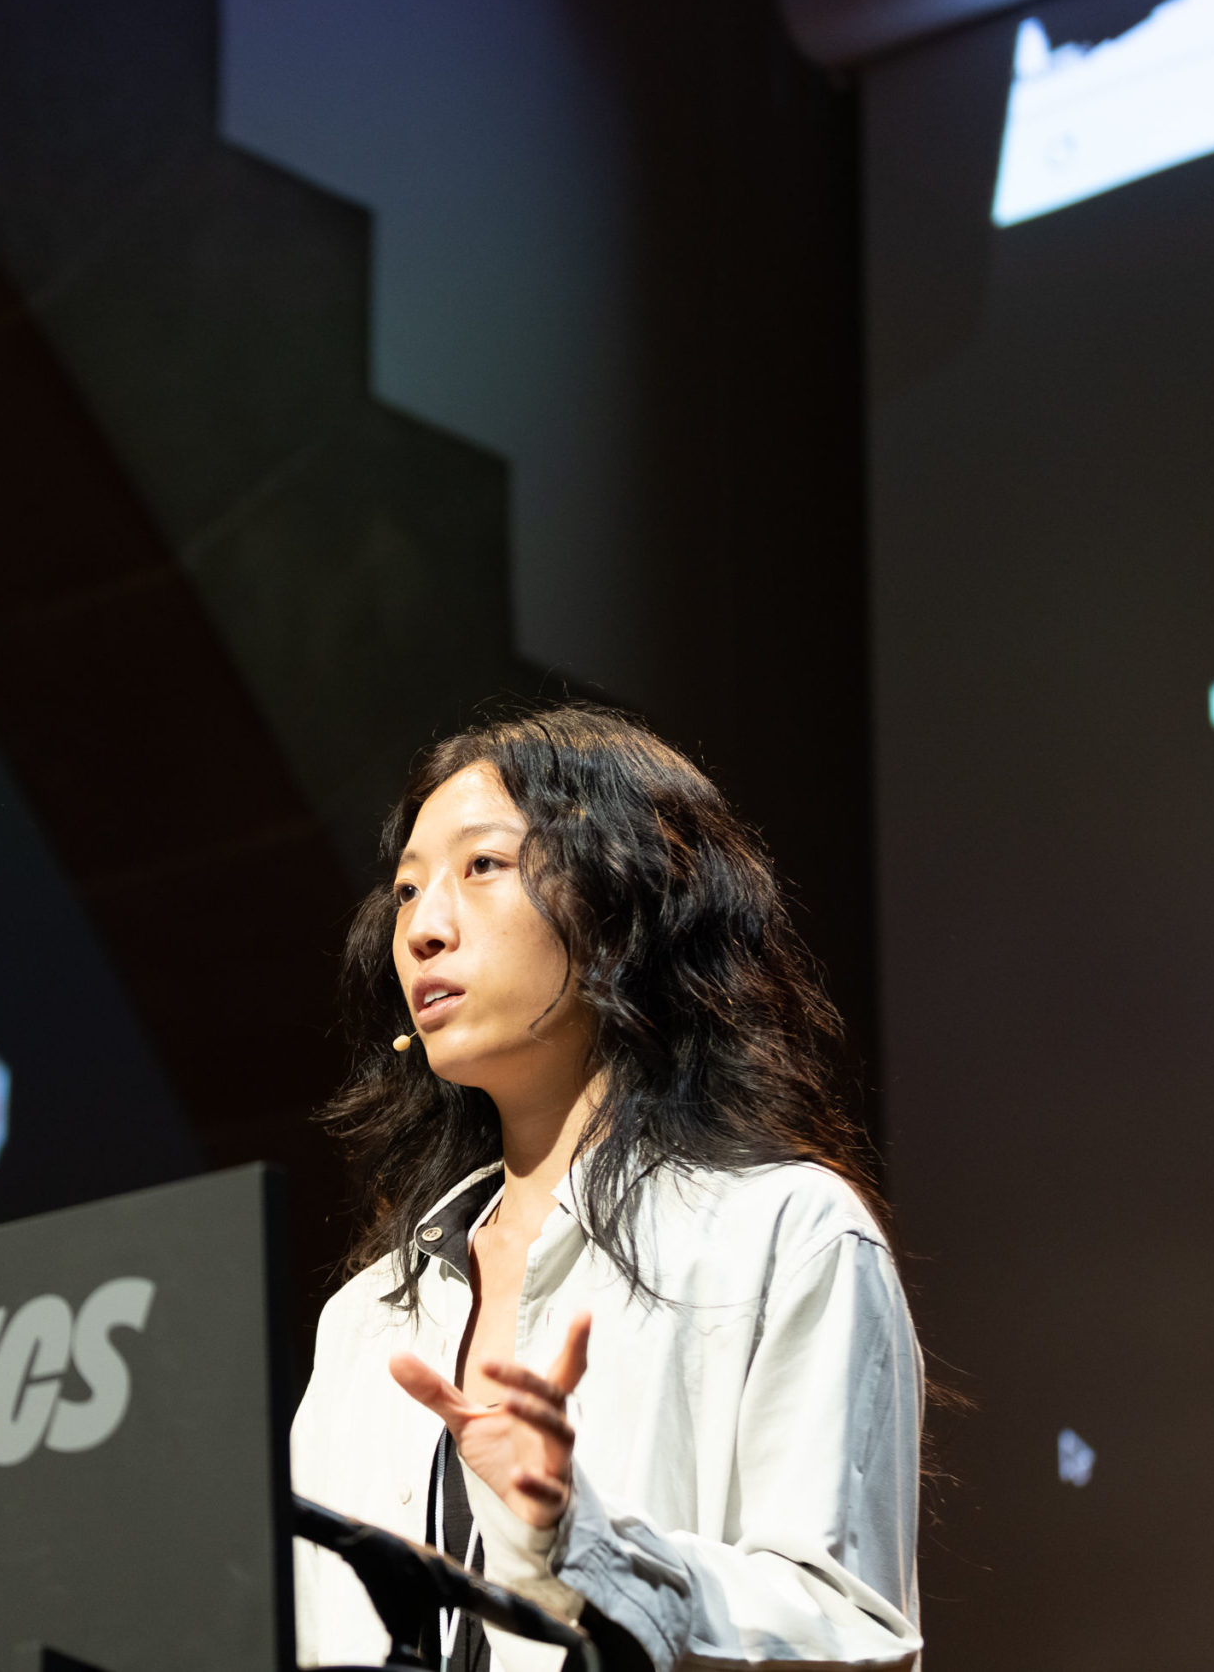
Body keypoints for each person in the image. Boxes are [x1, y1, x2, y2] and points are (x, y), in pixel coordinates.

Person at [290, 706, 924, 1672]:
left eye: (481, 867)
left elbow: (849, 1635)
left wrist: (582, 1548)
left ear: (624, 903)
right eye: (408, 888)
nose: (422, 926)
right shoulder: (364, 1324)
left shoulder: (785, 1234)